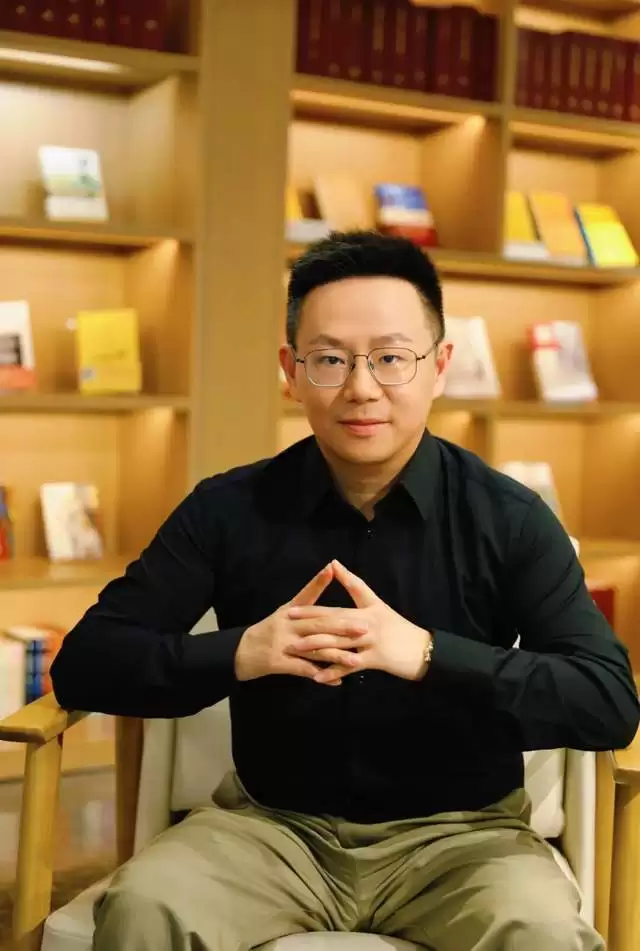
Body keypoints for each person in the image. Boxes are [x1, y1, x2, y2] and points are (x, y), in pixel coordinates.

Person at [50, 230, 639, 951]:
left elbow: (606, 700)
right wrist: (241, 652)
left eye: (391, 357)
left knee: (540, 932)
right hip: (270, 830)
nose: (362, 387)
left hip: (464, 841)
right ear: (290, 372)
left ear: (439, 366)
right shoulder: (226, 510)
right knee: (145, 907)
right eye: (330, 359)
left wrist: (428, 654)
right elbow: (87, 662)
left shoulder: (509, 518)